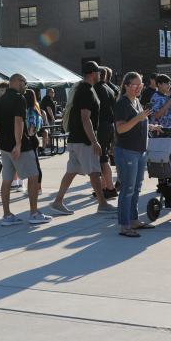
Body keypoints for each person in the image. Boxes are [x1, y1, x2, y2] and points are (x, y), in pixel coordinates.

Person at [48, 61, 113, 217]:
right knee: (94, 171)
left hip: (75, 139)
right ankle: (102, 204)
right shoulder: (86, 91)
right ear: (92, 74)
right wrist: (94, 141)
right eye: (98, 72)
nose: (100, 75)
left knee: (71, 171)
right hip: (84, 140)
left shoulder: (82, 89)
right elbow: (86, 118)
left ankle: (57, 202)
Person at [0, 73, 49, 225]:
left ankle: (7, 215)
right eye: (24, 82)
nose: (25, 85)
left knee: (7, 180)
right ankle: (34, 213)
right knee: (33, 175)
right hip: (21, 147)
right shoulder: (19, 98)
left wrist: (3, 137)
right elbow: (18, 121)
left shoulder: (0, 100)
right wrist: (17, 143)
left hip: (4, 147)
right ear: (17, 82)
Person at [112, 72, 153, 237]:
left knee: (136, 187)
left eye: (140, 84)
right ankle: (124, 225)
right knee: (127, 189)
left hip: (139, 151)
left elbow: (137, 122)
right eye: (135, 85)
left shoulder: (136, 101)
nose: (138, 88)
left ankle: (134, 220)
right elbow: (121, 128)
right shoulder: (122, 103)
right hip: (127, 151)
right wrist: (139, 118)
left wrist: (151, 126)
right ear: (126, 86)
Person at [94, 67, 119, 199]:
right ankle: (104, 187)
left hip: (102, 126)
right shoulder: (110, 88)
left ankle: (109, 188)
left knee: (102, 158)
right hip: (110, 125)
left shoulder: (97, 88)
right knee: (104, 158)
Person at [24, 88, 45, 194]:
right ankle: (37, 187)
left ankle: (36, 188)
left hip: (31, 138)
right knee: (35, 164)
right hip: (34, 138)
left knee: (34, 165)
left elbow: (31, 125)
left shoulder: (30, 110)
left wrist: (28, 135)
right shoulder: (36, 108)